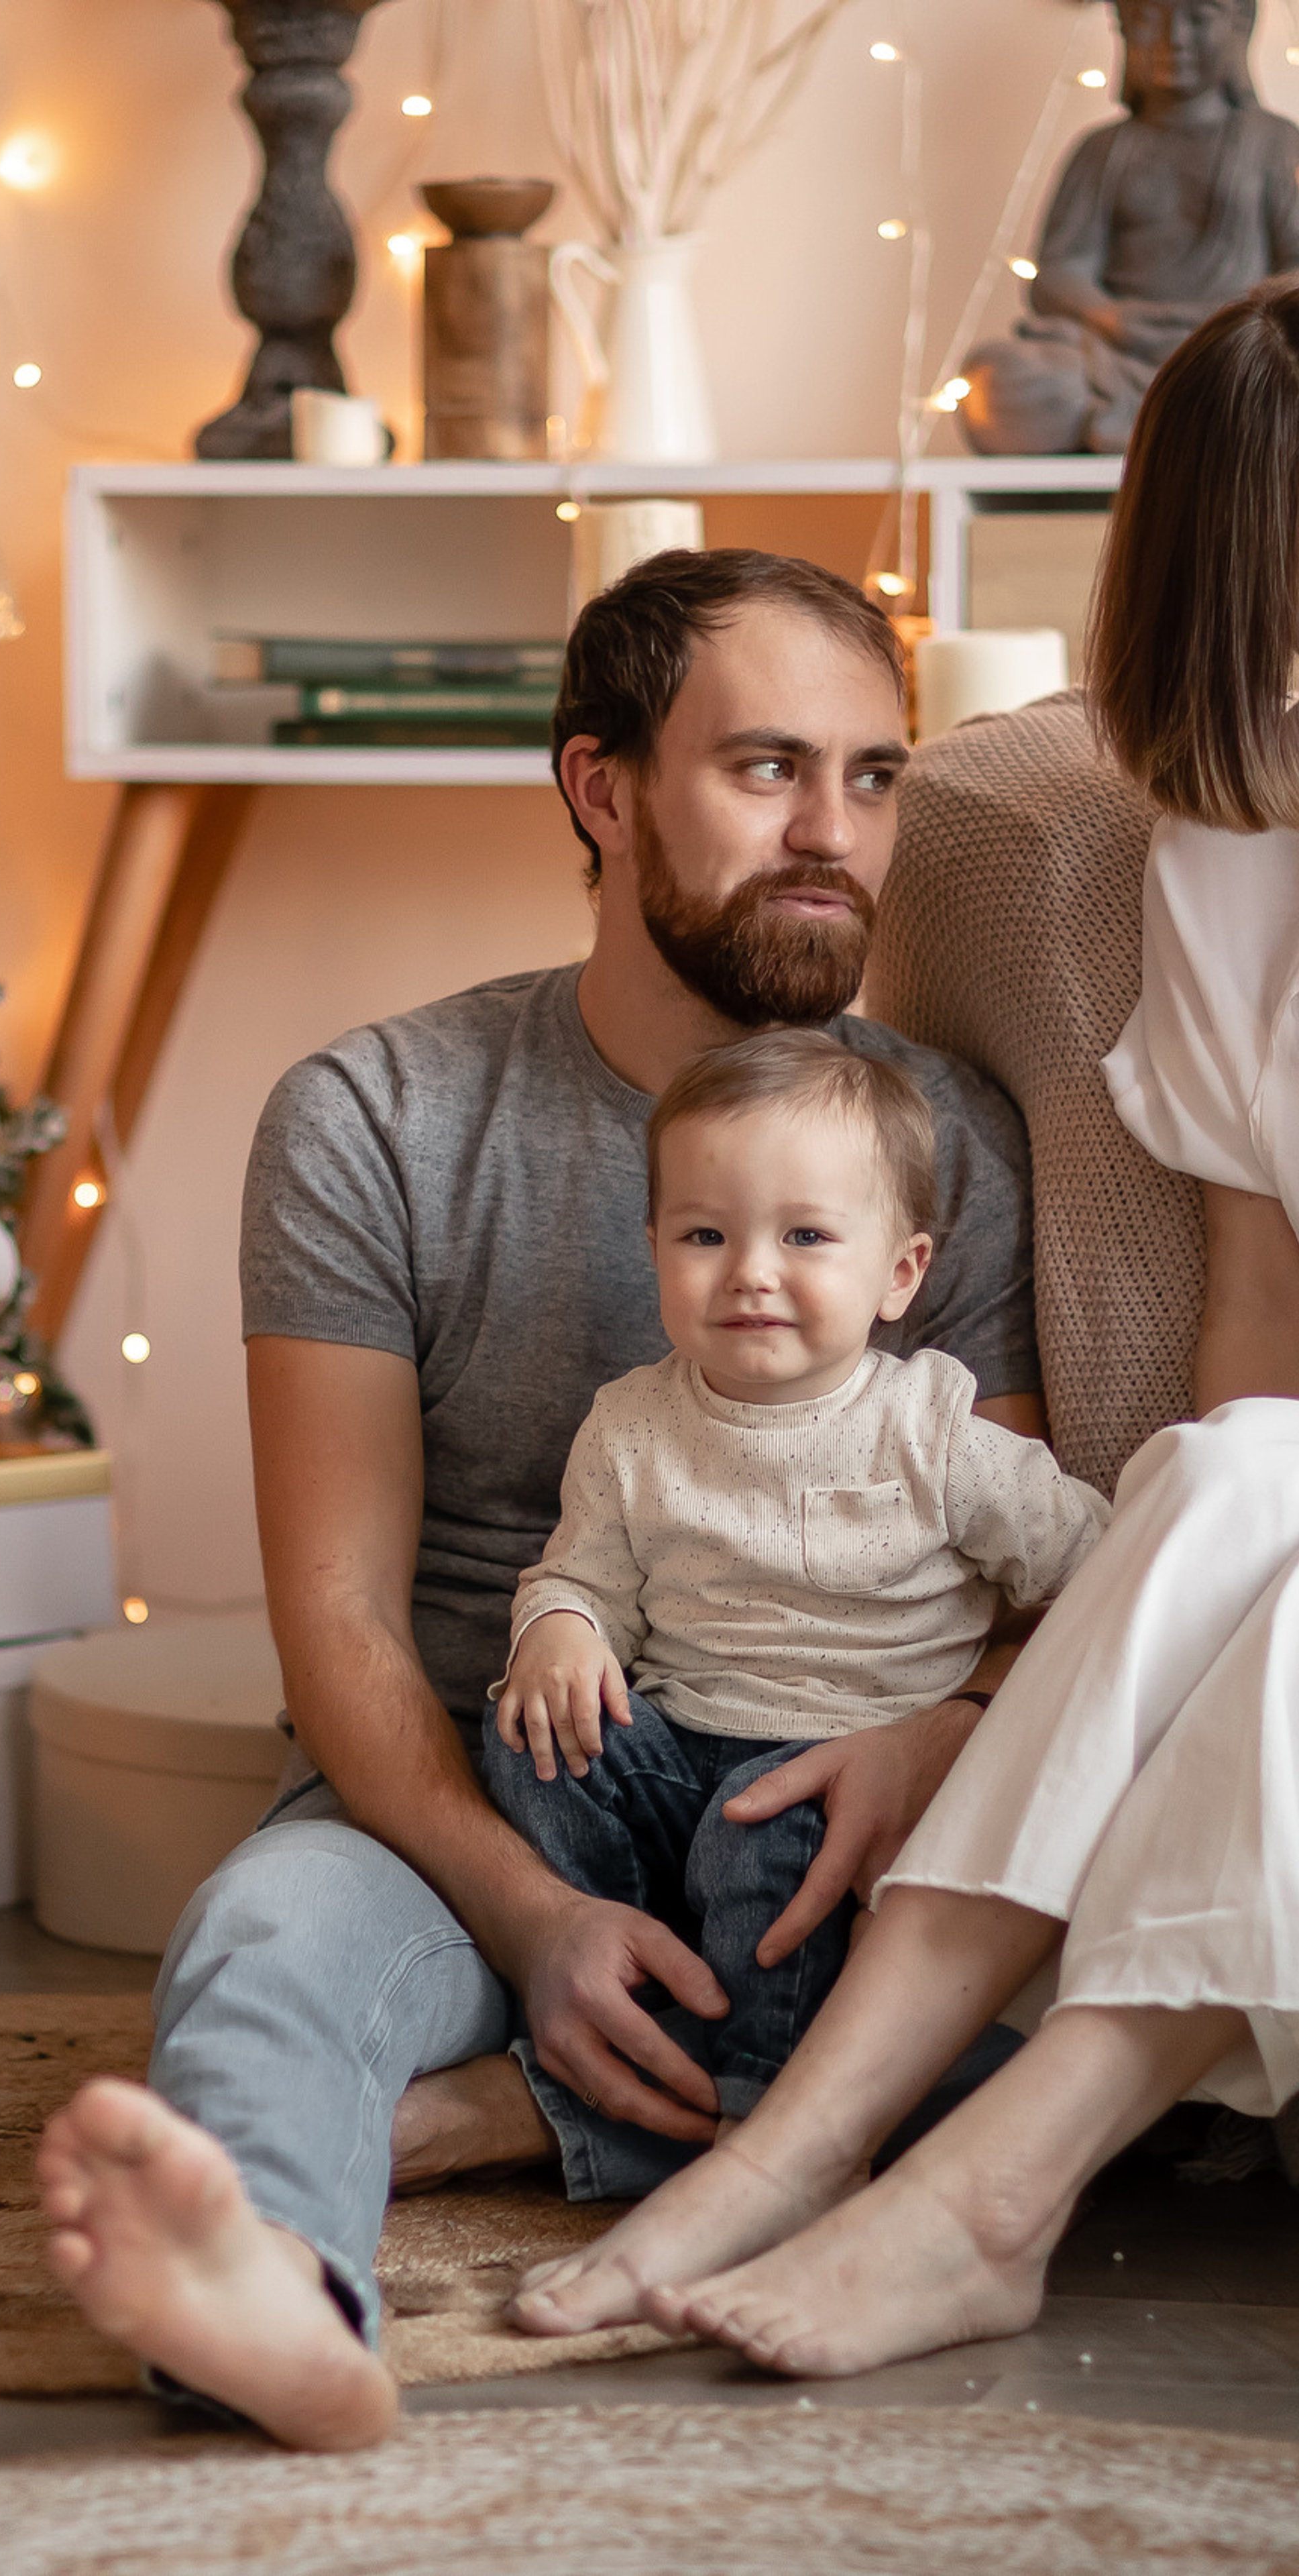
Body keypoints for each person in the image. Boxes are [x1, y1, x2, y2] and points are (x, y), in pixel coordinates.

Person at [36, 547, 1045, 2450]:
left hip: (831, 1824)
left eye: (871, 776)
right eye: (765, 768)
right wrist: (526, 1918)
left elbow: (1022, 1566)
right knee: (262, 1941)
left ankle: (503, 2120)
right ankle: (272, 2301)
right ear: (602, 788)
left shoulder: (942, 1143)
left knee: (1043, 2013)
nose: (832, 834)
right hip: (463, 1800)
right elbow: (340, 1620)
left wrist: (944, 1735)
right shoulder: (375, 1118)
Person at [499, 274, 1299, 2381]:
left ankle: (976, 2193)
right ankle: (808, 2146)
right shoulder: (1231, 857)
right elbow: (1256, 1335)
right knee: (1233, 1471)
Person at [484, 1032, 1107, 2161]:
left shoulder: (932, 1432)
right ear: (655, 1250)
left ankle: (760, 2102)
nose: (751, 1271)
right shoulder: (631, 1424)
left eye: (806, 1236)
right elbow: (582, 1575)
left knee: (763, 1835)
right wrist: (561, 1632)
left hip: (837, 1778)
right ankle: (637, 1969)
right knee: (530, 1735)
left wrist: (981, 1720)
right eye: (705, 1236)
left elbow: (1104, 1569)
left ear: (900, 1274)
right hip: (678, 1751)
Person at [962, 0, 1299, 456]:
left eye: (1198, 18)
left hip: (1240, 355)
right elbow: (1056, 275)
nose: (1173, 40)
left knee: (1279, 369)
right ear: (1122, 28)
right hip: (1120, 360)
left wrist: (1232, 318)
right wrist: (1108, 317)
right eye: (1148, 20)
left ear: (1240, 24)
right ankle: (1179, 422)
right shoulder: (1102, 150)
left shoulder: (1276, 144)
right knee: (994, 384)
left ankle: (1182, 416)